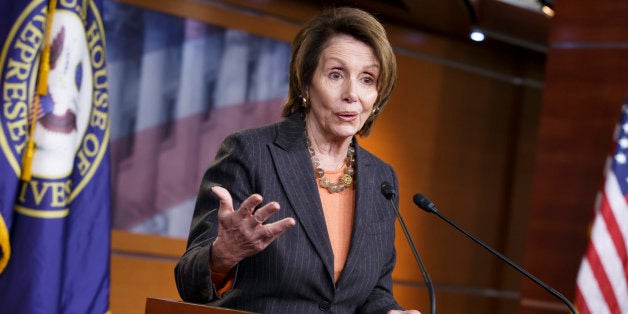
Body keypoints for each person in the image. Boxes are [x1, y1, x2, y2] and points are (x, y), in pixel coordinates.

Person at [175, 7, 421, 314]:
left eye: (367, 79)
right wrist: (222, 255)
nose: (352, 94)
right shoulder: (250, 152)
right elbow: (189, 283)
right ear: (305, 84)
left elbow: (374, 291)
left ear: (378, 95)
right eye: (335, 74)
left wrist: (390, 312)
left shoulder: (381, 179)